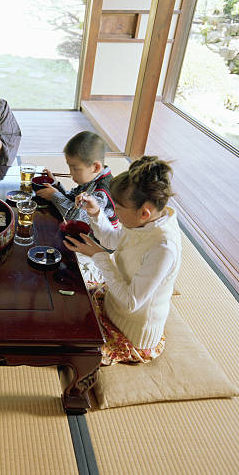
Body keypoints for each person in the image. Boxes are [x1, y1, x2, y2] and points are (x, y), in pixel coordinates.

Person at [64, 156, 182, 366]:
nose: (115, 212)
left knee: (66, 344)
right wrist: (96, 213)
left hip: (131, 331)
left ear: (144, 212)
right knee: (65, 295)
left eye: (118, 209)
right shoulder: (143, 223)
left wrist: (99, 256)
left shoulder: (163, 248)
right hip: (112, 302)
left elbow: (130, 303)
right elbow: (113, 238)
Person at [36, 131, 118, 227]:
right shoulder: (92, 178)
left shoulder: (101, 193)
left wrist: (54, 195)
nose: (71, 173)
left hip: (97, 240)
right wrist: (56, 185)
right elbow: (72, 199)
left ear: (96, 167)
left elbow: (75, 219)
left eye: (75, 169)